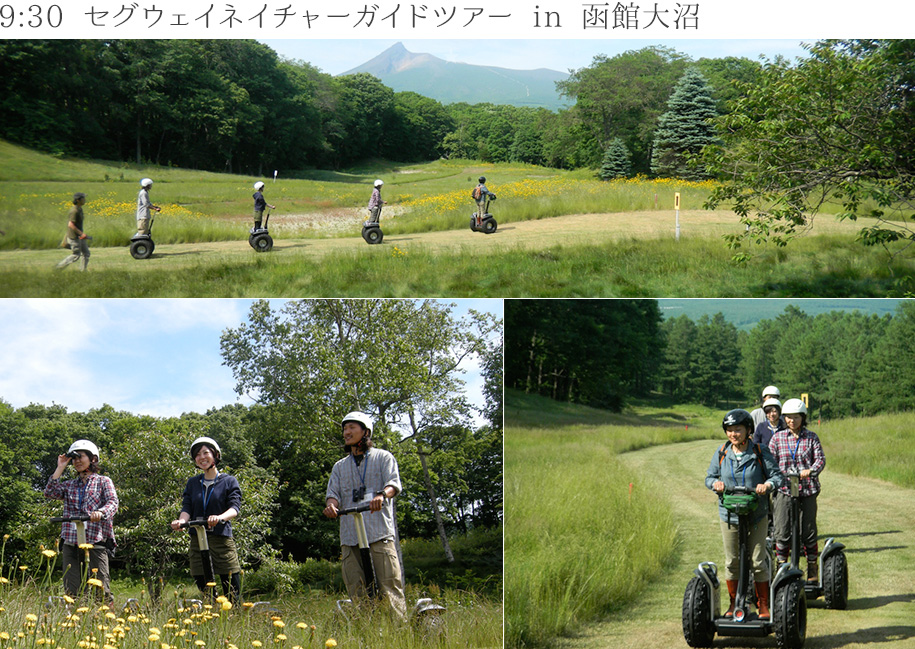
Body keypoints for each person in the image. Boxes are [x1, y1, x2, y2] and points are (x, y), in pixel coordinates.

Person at [323, 412, 406, 619]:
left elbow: (393, 485)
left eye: (351, 427)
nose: (346, 432)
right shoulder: (340, 466)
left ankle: (400, 632)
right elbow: (332, 495)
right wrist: (331, 507)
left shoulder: (383, 457)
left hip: (378, 533)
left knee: (389, 587)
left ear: (365, 432)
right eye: (344, 428)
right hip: (351, 536)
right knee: (356, 590)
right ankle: (365, 632)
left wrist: (381, 495)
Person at [706, 409, 784, 620]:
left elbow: (777, 476)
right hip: (729, 514)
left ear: (748, 430)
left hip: (756, 514)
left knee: (758, 561)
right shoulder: (722, 452)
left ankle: (763, 604)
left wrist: (767, 485)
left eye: (738, 430)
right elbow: (709, 477)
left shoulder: (759, 451)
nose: (733, 434)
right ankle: (734, 603)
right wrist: (716, 483)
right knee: (732, 562)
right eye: (729, 430)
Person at [44, 440, 119, 605]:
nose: (77, 461)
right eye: (74, 458)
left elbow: (113, 503)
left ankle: (105, 623)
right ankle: (74, 625)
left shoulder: (103, 481)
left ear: (92, 459)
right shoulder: (70, 485)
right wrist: (60, 467)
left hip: (95, 541)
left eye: (81, 457)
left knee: (101, 590)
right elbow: (50, 492)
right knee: (72, 591)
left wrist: (100, 512)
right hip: (71, 542)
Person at [170, 437, 242, 602]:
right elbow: (187, 508)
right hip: (198, 538)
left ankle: (234, 616)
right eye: (197, 455)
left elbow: (234, 508)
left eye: (205, 453)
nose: (201, 457)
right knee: (203, 584)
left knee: (231, 587)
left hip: (220, 538)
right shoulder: (193, 483)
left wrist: (220, 517)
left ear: (215, 455)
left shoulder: (228, 481)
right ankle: (211, 613)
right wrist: (181, 521)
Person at [768, 398, 825, 582]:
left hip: (807, 488)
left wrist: (811, 470)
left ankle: (812, 568)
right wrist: (777, 474)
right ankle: (782, 567)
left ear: (803, 417)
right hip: (784, 489)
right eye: (789, 418)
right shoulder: (777, 438)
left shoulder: (811, 437)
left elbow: (820, 459)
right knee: (782, 530)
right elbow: (770, 461)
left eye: (796, 417)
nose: (792, 421)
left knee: (808, 530)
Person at [55, 193, 91, 271]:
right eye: (83, 198)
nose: (85, 200)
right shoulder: (74, 211)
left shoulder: (80, 209)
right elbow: (70, 224)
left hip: (80, 236)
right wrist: (81, 234)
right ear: (78, 200)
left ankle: (83, 271)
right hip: (74, 236)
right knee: (76, 255)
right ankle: (58, 267)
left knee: (86, 253)